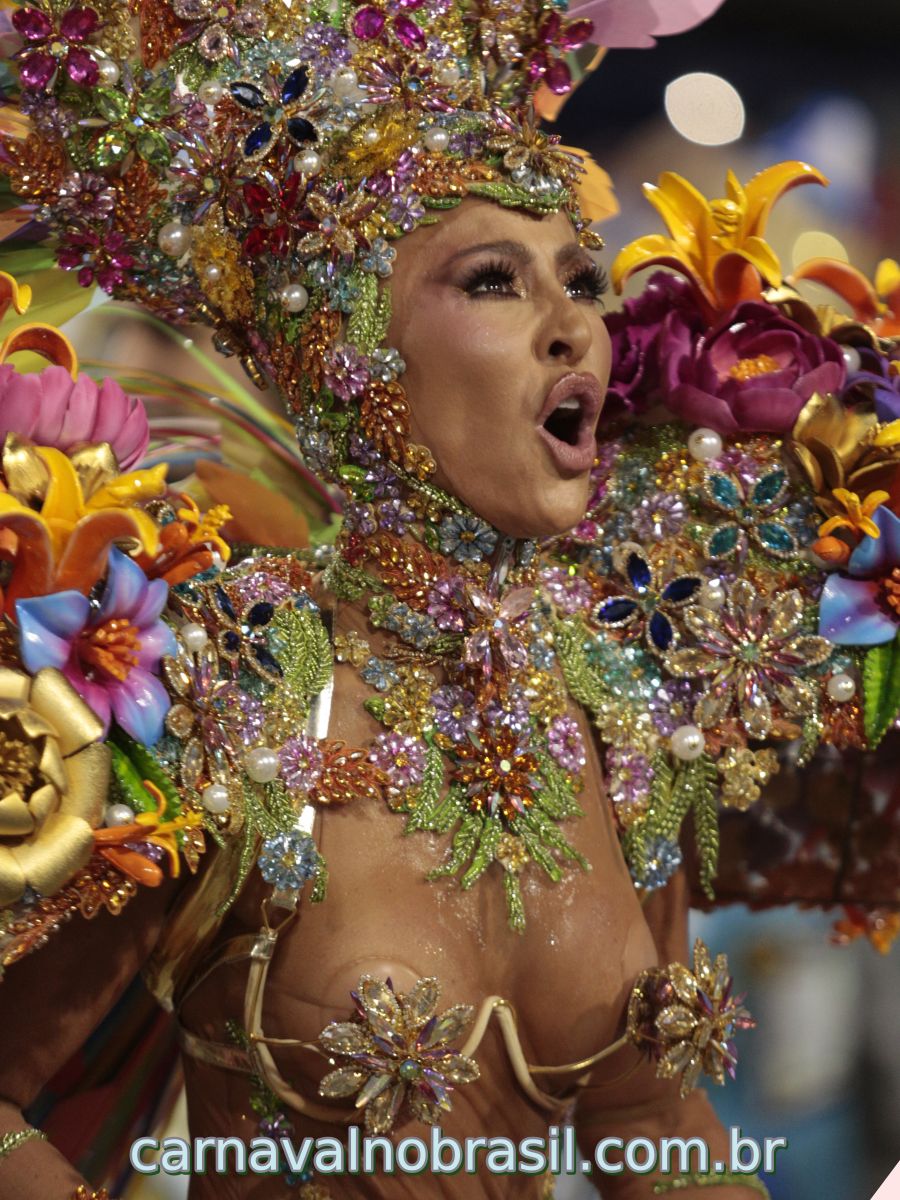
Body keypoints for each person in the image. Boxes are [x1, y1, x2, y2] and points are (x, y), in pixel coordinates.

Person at [0, 0, 897, 1197]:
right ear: (351, 353)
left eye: (577, 277)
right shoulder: (216, 686)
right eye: (494, 281)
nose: (575, 323)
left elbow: (648, 1117)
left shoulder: (617, 701)